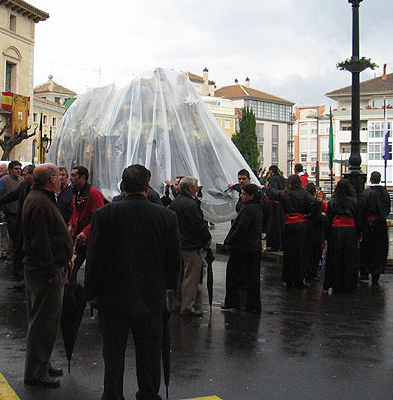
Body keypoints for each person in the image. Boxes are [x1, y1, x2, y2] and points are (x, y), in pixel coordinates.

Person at [85, 164, 181, 400]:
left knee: (113, 354)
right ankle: (148, 394)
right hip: (151, 297)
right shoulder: (166, 217)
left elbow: (94, 257)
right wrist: (169, 289)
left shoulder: (104, 215)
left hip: (113, 298)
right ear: (147, 187)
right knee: (149, 353)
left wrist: (92, 293)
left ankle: (113, 395)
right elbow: (173, 259)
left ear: (122, 186)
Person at [21, 163, 73, 388]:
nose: (62, 179)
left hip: (45, 268)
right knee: (43, 320)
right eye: (59, 176)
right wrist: (50, 271)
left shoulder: (42, 197)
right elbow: (40, 241)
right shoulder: (41, 202)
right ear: (51, 180)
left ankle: (43, 362)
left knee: (47, 320)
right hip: (44, 272)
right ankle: (36, 370)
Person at [264, 174, 319, 289]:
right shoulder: (305, 195)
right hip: (302, 226)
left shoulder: (285, 194)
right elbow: (314, 204)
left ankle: (288, 279)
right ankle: (299, 280)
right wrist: (308, 215)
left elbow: (273, 193)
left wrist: (265, 188)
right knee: (301, 253)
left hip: (289, 225)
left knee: (289, 253)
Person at [0, 165, 35, 290]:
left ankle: (26, 277)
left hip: (31, 225)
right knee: (18, 247)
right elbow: (11, 195)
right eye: (21, 173)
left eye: (25, 174)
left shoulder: (37, 189)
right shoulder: (24, 186)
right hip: (20, 222)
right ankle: (19, 275)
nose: (22, 176)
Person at [170, 175, 211, 316]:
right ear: (190, 189)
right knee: (190, 278)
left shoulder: (175, 203)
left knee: (179, 276)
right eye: (195, 187)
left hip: (178, 244)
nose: (197, 189)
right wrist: (206, 237)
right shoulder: (192, 205)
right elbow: (197, 225)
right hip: (191, 246)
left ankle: (177, 303)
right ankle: (187, 306)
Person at [221, 184, 263, 313]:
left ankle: (232, 301)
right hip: (254, 247)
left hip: (243, 247)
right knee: (253, 277)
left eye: (244, 194)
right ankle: (254, 305)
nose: (241, 196)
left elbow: (241, 229)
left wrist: (229, 241)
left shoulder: (248, 209)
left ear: (251, 196)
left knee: (233, 274)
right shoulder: (257, 208)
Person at [0, 161, 24, 278]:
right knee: (8, 238)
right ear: (10, 170)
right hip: (10, 214)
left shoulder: (22, 181)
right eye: (16, 169)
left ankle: (9, 258)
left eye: (19, 169)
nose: (18, 171)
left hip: (18, 215)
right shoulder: (5, 180)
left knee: (12, 240)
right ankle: (10, 262)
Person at [68, 166, 105, 279]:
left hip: (90, 241)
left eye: (74, 175)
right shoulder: (76, 193)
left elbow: (98, 218)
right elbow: (74, 213)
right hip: (78, 240)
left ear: (82, 177)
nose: (71, 178)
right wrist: (70, 224)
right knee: (71, 270)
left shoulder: (94, 194)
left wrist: (85, 232)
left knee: (92, 272)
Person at [324, 179, 359, 293]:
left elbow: (328, 218)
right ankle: (348, 282)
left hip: (336, 230)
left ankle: (335, 281)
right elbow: (358, 218)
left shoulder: (333, 201)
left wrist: (327, 234)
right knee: (349, 257)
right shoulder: (354, 201)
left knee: (335, 257)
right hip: (350, 230)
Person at [358, 171, 391, 284]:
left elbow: (362, 209)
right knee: (379, 249)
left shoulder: (367, 193)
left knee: (367, 249)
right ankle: (376, 273)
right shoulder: (385, 193)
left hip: (369, 225)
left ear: (370, 179)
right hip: (381, 225)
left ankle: (365, 272)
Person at [265, 164, 286, 252]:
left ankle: (274, 245)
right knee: (281, 225)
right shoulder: (283, 179)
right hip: (282, 206)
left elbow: (273, 192)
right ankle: (281, 244)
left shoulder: (273, 179)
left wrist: (267, 189)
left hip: (275, 205)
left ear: (271, 171)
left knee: (274, 226)